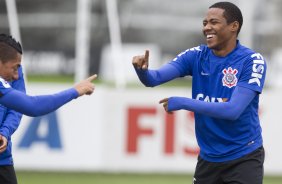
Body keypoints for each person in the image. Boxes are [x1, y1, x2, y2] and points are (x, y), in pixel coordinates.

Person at [132, 2, 266, 184]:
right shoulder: (196, 55)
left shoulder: (252, 61)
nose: (207, 28)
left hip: (243, 155)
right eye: (205, 23)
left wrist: (183, 102)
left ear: (234, 26)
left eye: (214, 22)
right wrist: (142, 71)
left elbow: (232, 110)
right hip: (209, 158)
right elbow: (154, 79)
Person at [0, 33, 97, 184]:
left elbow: (18, 108)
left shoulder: (10, 73)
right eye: (14, 68)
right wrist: (75, 91)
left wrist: (4, 132)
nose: (17, 75)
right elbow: (33, 106)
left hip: (2, 160)